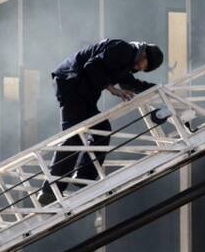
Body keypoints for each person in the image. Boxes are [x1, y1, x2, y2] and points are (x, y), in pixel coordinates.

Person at [36, 38, 164, 205]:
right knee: (74, 136)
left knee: (102, 130)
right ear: (144, 55)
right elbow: (91, 66)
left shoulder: (127, 61)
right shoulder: (123, 49)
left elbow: (129, 83)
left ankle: (84, 177)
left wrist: (158, 89)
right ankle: (51, 190)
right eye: (143, 65)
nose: (139, 69)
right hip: (71, 82)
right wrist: (113, 90)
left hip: (84, 90)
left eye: (143, 69)